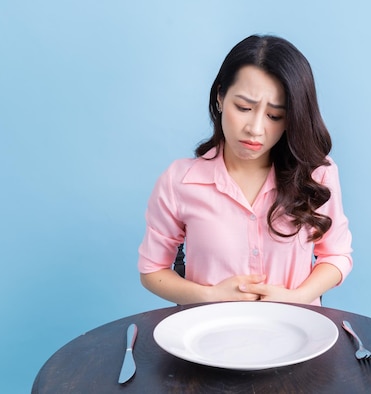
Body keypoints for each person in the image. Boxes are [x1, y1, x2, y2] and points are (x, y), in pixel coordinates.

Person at [138, 34, 352, 306]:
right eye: (243, 107)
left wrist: (298, 297)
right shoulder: (179, 181)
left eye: (274, 116)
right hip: (209, 337)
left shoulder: (317, 175)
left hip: (297, 334)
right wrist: (210, 295)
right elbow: (152, 270)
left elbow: (336, 255)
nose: (255, 128)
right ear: (220, 98)